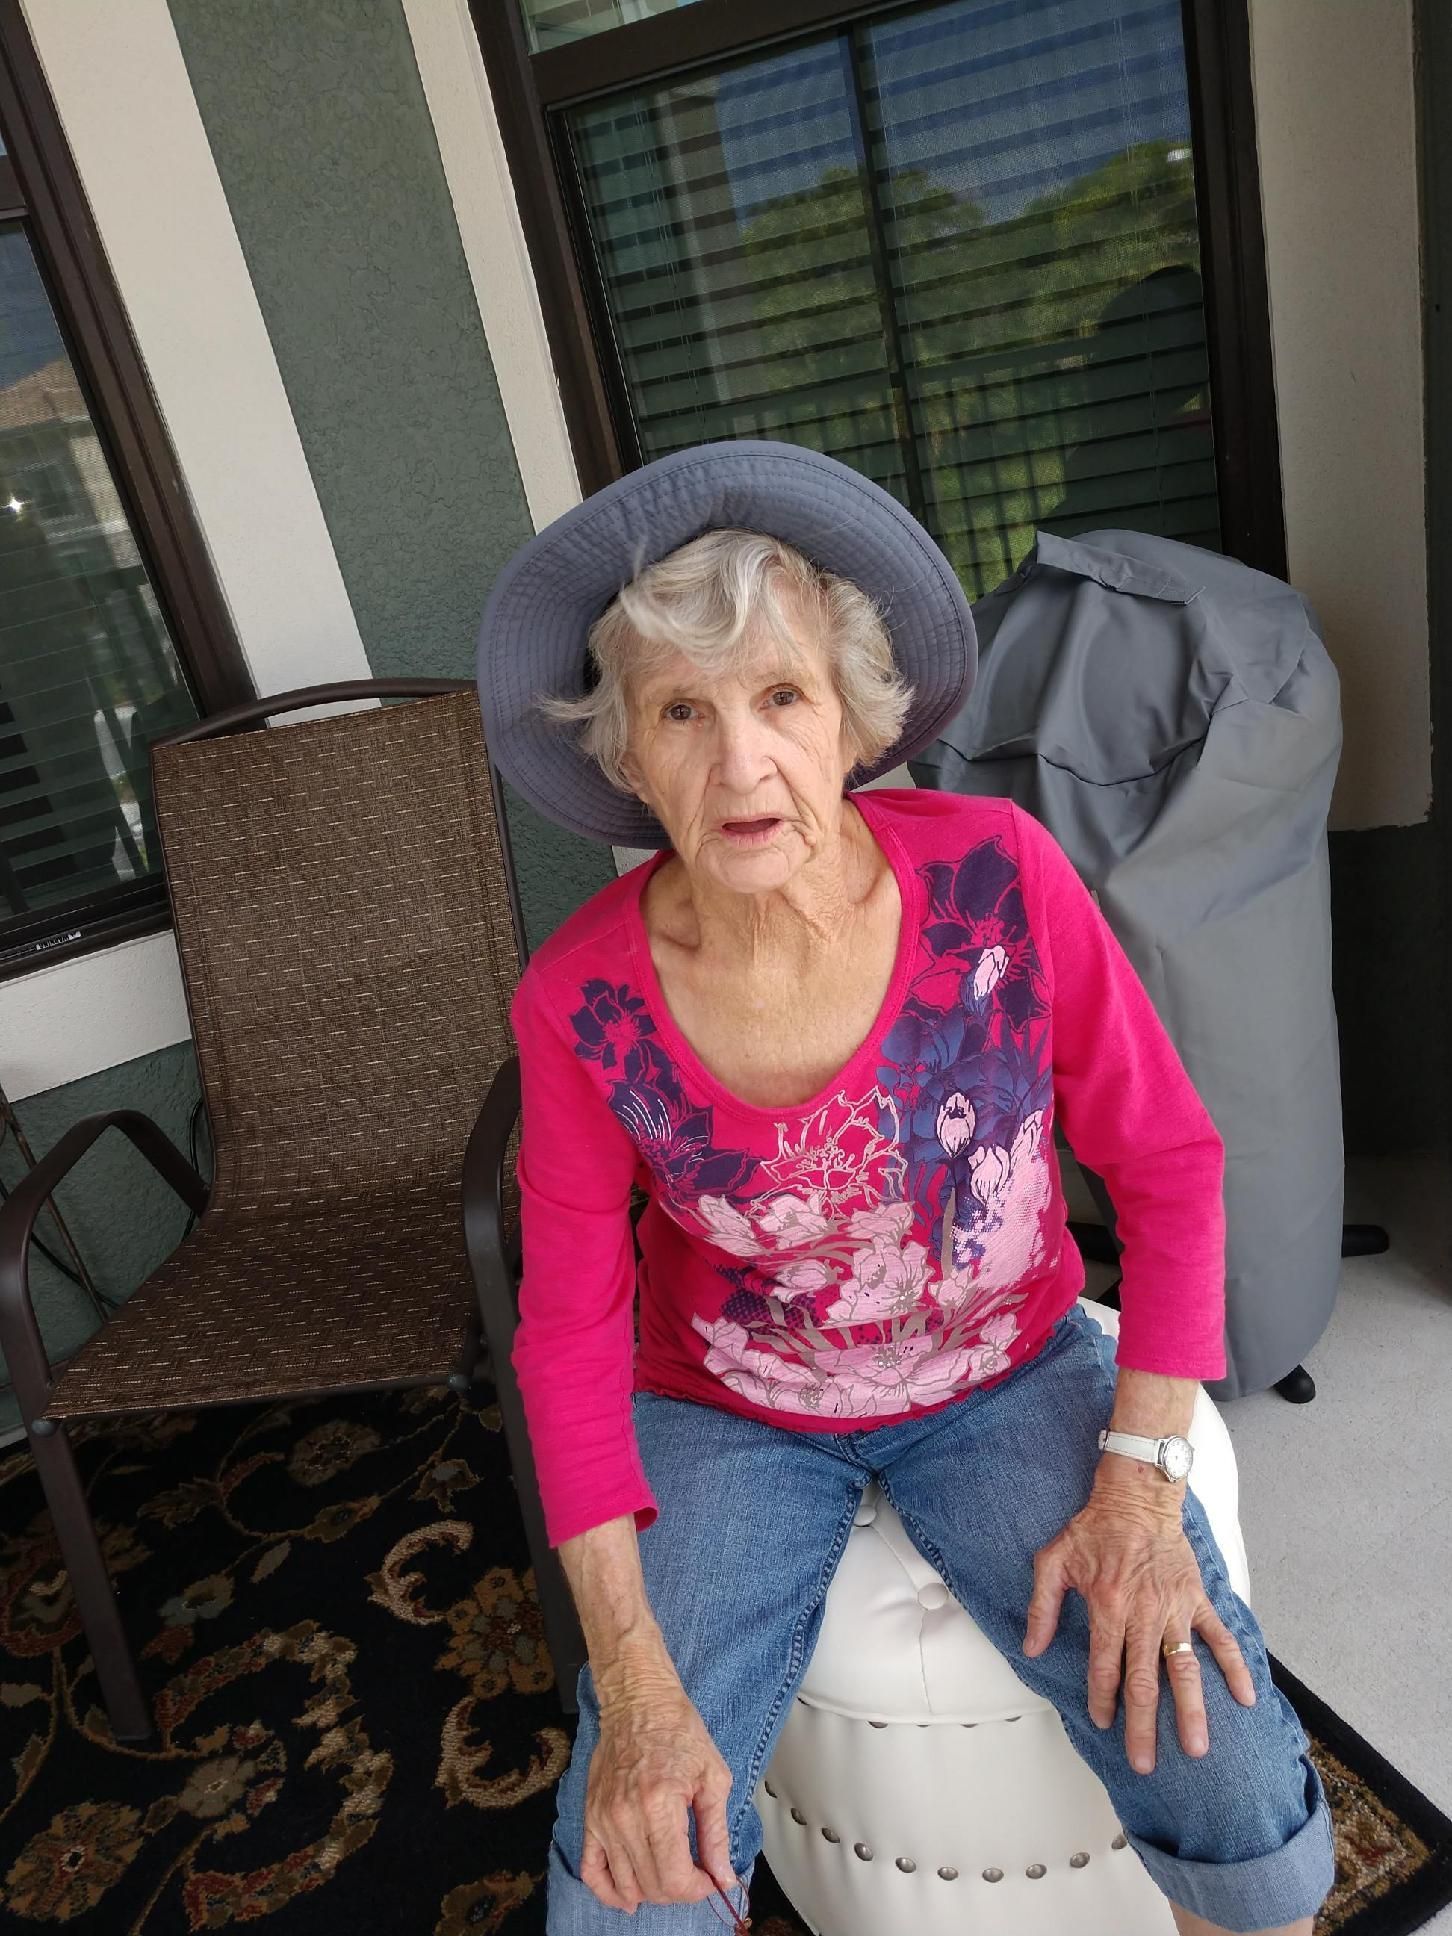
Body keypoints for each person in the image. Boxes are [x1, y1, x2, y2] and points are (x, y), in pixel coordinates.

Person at [475, 440, 1334, 1935]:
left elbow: (1173, 1165)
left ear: (853, 719)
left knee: (1226, 1769)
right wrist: (627, 1678)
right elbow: (564, 1334)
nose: (741, 765)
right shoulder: (579, 1000)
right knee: (639, 1875)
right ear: (626, 755)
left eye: (782, 698)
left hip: (1010, 1374)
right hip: (727, 1412)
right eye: (684, 711)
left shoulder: (997, 876)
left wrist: (1141, 1476)